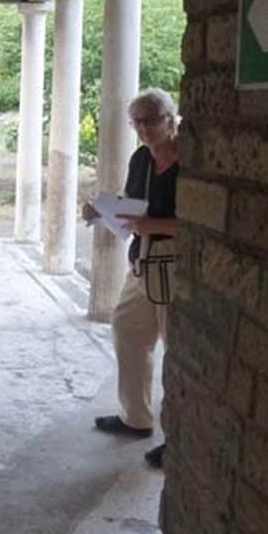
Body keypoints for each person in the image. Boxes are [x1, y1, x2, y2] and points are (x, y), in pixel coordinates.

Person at [82, 88, 179, 468]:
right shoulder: (141, 158)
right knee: (127, 329)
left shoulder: (191, 160)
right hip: (143, 262)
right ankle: (136, 418)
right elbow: (132, 203)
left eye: (150, 119)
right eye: (136, 122)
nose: (142, 128)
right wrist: (102, 211)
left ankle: (180, 440)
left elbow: (205, 223)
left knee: (179, 353)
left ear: (170, 118)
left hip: (175, 267)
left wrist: (151, 224)